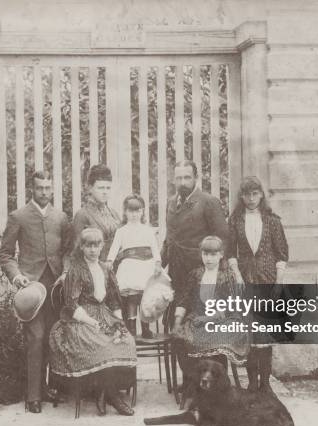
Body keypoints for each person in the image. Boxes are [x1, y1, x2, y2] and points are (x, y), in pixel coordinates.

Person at [0, 170, 72, 413]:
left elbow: (69, 252)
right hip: (31, 289)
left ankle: (52, 387)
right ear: (33, 189)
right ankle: (33, 396)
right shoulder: (18, 216)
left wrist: (66, 272)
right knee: (36, 338)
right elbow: (6, 254)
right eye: (40, 187)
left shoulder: (61, 217)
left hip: (56, 288)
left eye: (48, 188)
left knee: (54, 338)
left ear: (53, 189)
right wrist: (17, 275)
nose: (44, 192)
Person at [49, 228, 137, 416]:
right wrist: (90, 321)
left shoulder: (106, 268)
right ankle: (111, 396)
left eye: (96, 245)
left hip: (105, 314)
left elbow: (113, 299)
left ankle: (104, 393)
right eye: (88, 245)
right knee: (102, 345)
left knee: (125, 341)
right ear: (81, 247)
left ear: (102, 246)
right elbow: (71, 304)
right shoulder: (76, 270)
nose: (93, 250)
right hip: (81, 318)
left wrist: (120, 322)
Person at [161, 160, 230, 378]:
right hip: (177, 275)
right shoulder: (171, 203)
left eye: (187, 177)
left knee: (207, 330)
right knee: (181, 329)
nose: (182, 182)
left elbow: (223, 238)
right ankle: (190, 379)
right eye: (178, 177)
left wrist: (217, 271)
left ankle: (213, 380)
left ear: (196, 178)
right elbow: (169, 239)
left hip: (202, 275)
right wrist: (157, 265)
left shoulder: (208, 202)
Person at [227, 176, 289, 393]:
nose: (251, 199)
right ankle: (252, 382)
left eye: (255, 194)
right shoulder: (235, 220)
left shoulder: (272, 220)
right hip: (245, 280)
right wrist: (236, 274)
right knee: (249, 332)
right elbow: (229, 250)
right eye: (246, 194)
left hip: (268, 280)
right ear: (241, 196)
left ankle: (266, 383)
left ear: (261, 194)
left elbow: (282, 254)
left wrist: (278, 283)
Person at [172, 236, 250, 366]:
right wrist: (177, 322)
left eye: (213, 255)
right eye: (205, 254)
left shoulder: (228, 276)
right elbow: (184, 299)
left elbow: (230, 306)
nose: (208, 259)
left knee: (218, 336)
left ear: (221, 255)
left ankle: (217, 381)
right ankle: (192, 380)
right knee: (183, 338)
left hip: (223, 319)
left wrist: (209, 318)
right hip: (198, 318)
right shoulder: (195, 274)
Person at [106, 194, 162, 338]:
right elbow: (114, 248)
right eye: (131, 211)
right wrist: (110, 261)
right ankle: (131, 328)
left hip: (146, 267)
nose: (134, 214)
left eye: (137, 211)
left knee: (145, 298)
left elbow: (155, 249)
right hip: (130, 267)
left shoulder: (148, 230)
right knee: (132, 298)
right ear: (125, 212)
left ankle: (145, 328)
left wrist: (157, 263)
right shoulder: (122, 231)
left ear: (142, 211)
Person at [72, 164, 121, 261]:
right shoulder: (82, 215)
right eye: (101, 188)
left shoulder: (114, 214)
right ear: (90, 188)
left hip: (116, 267)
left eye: (108, 188)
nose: (105, 192)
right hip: (94, 268)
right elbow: (76, 250)